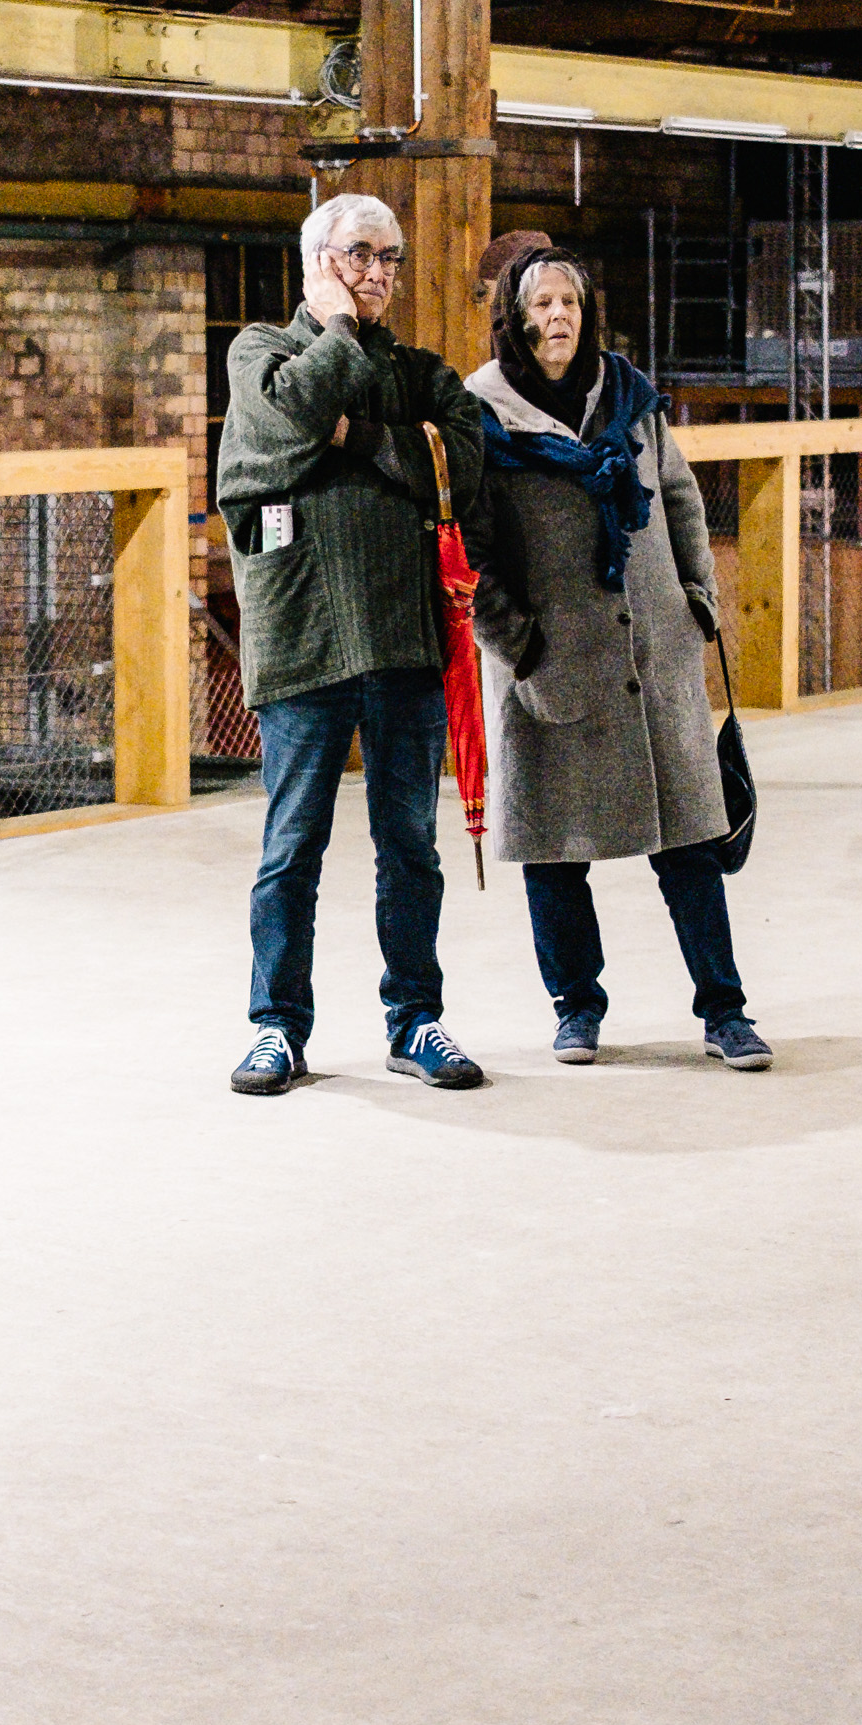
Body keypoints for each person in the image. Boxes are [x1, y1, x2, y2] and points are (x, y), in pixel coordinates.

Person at [469, 248, 772, 1071]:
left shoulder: (629, 397)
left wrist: (697, 597)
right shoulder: (482, 412)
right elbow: (471, 549)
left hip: (654, 657)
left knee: (690, 847)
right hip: (550, 665)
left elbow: (678, 496)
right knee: (554, 852)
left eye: (569, 302)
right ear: (515, 318)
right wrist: (516, 643)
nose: (557, 316)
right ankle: (576, 1009)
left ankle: (725, 1012)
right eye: (541, 303)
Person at [217, 193, 491, 1096]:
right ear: (317, 262)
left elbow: (457, 467)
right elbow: (284, 420)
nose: (376, 272)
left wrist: (353, 435)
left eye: (389, 257)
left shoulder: (421, 373)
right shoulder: (260, 352)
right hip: (303, 641)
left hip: (404, 643)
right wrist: (336, 338)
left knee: (409, 846)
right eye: (358, 255)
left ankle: (416, 1020)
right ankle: (276, 1028)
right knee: (291, 849)